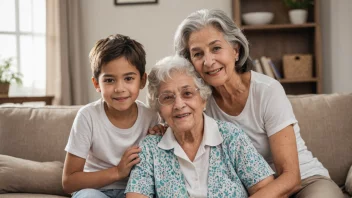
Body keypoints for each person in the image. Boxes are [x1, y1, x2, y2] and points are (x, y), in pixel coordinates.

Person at [174, 9, 344, 198]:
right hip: (250, 188)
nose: (208, 61)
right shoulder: (199, 103)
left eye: (216, 48)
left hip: (304, 183)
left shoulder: (266, 90)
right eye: (197, 54)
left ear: (235, 50)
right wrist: (159, 129)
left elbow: (291, 177)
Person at [125, 55, 274, 198]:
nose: (179, 105)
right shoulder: (150, 149)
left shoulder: (231, 137)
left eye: (187, 93)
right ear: (159, 109)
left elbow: (267, 190)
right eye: (168, 97)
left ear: (203, 99)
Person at [62, 34, 160, 198]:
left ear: (142, 80)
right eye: (109, 80)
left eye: (128, 78)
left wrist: (160, 138)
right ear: (96, 84)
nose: (119, 88)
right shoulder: (87, 117)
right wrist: (117, 172)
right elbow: (68, 182)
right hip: (95, 190)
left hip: (137, 191)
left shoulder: (151, 116)